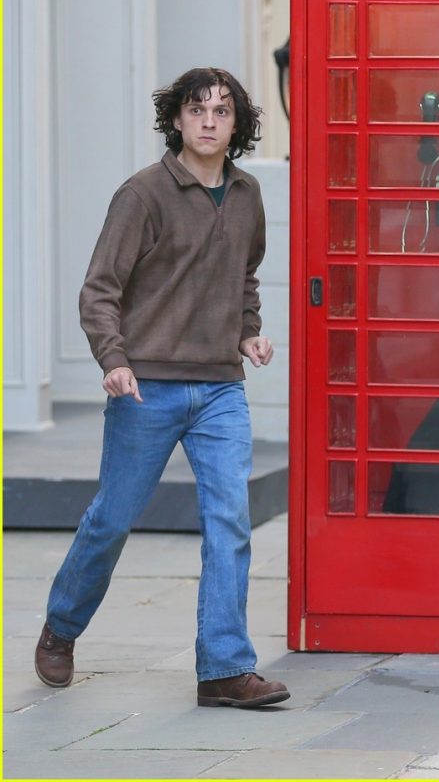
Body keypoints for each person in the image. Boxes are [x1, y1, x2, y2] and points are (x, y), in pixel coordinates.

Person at [34, 67, 290, 710]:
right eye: (196, 109)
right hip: (145, 389)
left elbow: (244, 279)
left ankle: (224, 669)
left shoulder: (249, 193)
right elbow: (100, 290)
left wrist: (248, 333)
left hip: (220, 390)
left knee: (230, 520)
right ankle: (62, 627)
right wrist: (114, 359)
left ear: (238, 124)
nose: (208, 120)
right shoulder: (142, 194)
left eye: (222, 111)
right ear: (175, 120)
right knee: (112, 521)